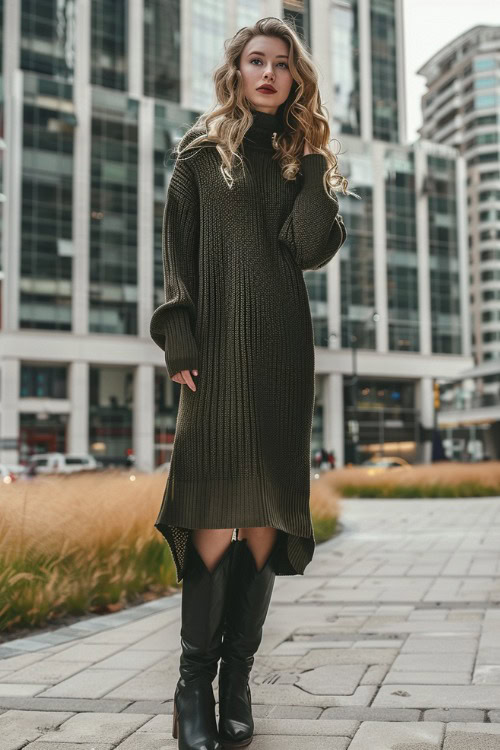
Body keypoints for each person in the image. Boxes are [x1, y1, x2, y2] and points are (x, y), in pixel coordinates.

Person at [149, 17, 355, 750]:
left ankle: (236, 681)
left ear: (297, 80)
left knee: (263, 521)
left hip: (279, 355)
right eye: (255, 61)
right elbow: (176, 254)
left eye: (282, 65)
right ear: (236, 72)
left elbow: (306, 248)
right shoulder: (200, 160)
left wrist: (314, 164)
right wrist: (178, 334)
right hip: (212, 357)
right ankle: (190, 689)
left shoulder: (303, 161)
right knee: (210, 514)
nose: (268, 74)